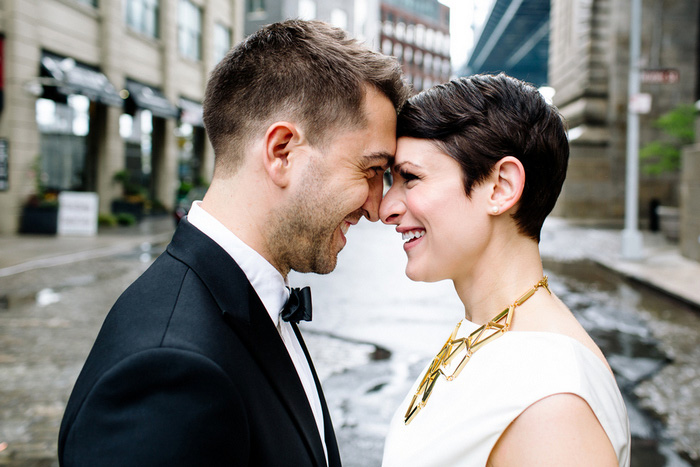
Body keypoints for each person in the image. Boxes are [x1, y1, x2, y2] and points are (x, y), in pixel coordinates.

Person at [58, 20, 410, 466]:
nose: (378, 207)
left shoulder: (248, 300)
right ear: (282, 151)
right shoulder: (167, 376)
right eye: (371, 170)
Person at [379, 74, 631, 466]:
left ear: (500, 186)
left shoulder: (553, 403)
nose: (385, 208)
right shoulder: (485, 330)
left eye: (410, 177)